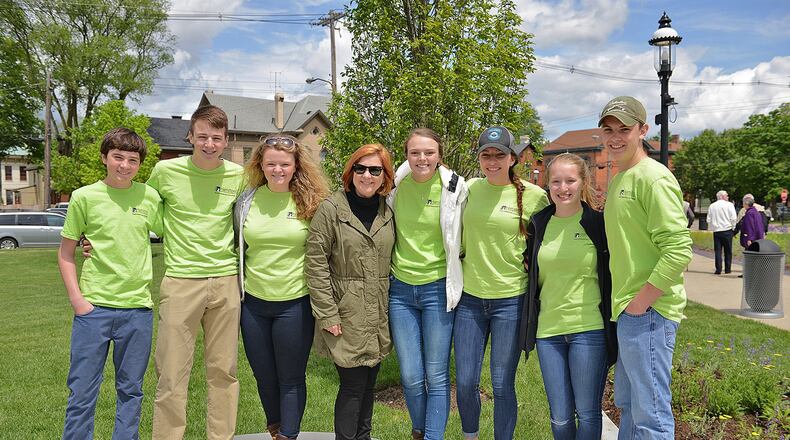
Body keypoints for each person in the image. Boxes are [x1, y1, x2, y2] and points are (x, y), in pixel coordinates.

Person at [58, 128, 162, 439]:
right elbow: (65, 255)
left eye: (132, 160)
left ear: (139, 164)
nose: (124, 165)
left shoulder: (150, 197)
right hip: (94, 309)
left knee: (131, 391)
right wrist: (79, 302)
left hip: (137, 310)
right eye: (118, 157)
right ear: (105, 157)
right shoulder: (84, 197)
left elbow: (176, 230)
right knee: (82, 392)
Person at [598, 96, 692, 439]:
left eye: (625, 129)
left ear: (643, 130)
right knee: (631, 407)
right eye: (609, 130)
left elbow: (679, 248)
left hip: (648, 311)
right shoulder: (622, 176)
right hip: (630, 310)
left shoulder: (653, 178)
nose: (615, 137)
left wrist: (641, 302)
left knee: (651, 415)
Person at [455, 126, 549, 440]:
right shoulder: (468, 189)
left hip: (510, 300)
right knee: (466, 381)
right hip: (470, 300)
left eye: (500, 154)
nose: (492, 161)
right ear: (479, 158)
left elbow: (549, 239)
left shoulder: (534, 196)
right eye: (486, 155)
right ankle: (470, 435)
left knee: (501, 383)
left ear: (513, 158)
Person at [234, 134, 329, 439]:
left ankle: (288, 434)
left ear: (295, 165)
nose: (278, 169)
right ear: (260, 164)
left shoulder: (311, 202)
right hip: (254, 306)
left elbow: (329, 247)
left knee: (290, 378)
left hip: (295, 305)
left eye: (284, 164)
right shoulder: (246, 201)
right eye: (271, 163)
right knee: (264, 376)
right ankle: (275, 428)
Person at [520, 153, 617, 440]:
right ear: (548, 185)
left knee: (587, 413)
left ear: (583, 182)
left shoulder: (598, 224)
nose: (563, 188)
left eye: (570, 181)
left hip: (588, 330)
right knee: (560, 417)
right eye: (556, 182)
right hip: (548, 332)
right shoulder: (538, 224)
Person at [306, 144, 396, 440]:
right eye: (360, 168)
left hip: (378, 312)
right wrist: (327, 312)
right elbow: (316, 264)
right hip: (346, 312)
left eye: (375, 170)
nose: (367, 175)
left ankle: (363, 437)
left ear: (384, 176)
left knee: (369, 383)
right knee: (353, 386)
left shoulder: (387, 210)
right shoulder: (331, 209)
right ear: (350, 171)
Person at [385, 128, 467, 440]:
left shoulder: (455, 189)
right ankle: (419, 431)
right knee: (410, 375)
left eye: (429, 152)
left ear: (439, 156)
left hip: (437, 289)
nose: (422, 158)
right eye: (415, 152)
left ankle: (432, 436)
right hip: (401, 290)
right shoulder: (394, 185)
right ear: (406, 155)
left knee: (436, 373)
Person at [706, 190, 737, 274]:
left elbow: (708, 219)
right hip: (727, 230)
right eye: (727, 195)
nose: (728, 197)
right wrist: (733, 228)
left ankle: (718, 269)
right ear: (722, 196)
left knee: (718, 251)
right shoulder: (729, 205)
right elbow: (733, 218)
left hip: (717, 231)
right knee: (728, 251)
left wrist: (712, 227)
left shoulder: (712, 206)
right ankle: (727, 269)